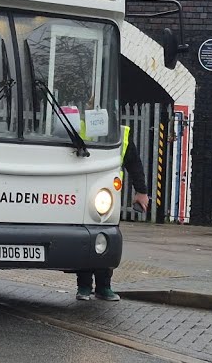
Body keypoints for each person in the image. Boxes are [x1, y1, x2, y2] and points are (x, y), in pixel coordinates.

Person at [76, 124, 150, 302]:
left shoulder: (121, 133)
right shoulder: (78, 127)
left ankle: (103, 286)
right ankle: (84, 286)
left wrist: (141, 191)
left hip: (107, 195)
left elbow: (134, 163)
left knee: (105, 240)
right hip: (83, 190)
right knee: (85, 239)